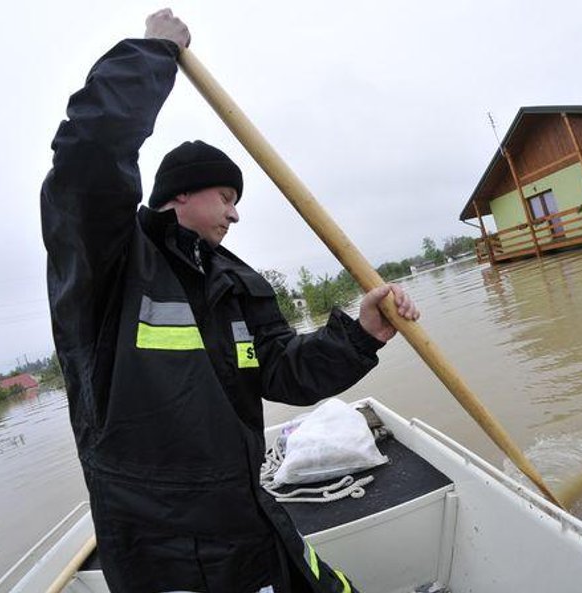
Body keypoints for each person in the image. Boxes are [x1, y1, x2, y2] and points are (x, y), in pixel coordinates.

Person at [41, 9, 419, 593]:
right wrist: (153, 54)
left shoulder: (233, 282)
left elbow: (284, 372)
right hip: (162, 549)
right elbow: (88, 156)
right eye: (225, 196)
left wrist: (360, 333)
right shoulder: (107, 265)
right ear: (179, 196)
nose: (236, 213)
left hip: (248, 516)